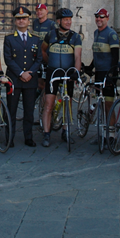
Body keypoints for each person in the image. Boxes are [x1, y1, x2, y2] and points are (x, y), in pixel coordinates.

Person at [40, 8, 82, 147]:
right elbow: (43, 50)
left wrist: (76, 71)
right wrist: (48, 62)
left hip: (68, 73)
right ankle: (46, 134)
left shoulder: (75, 37)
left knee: (67, 103)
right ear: (58, 21)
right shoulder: (50, 35)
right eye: (65, 19)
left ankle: (65, 130)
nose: (69, 22)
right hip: (53, 72)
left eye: (70, 19)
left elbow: (77, 56)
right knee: (49, 104)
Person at [3, 6, 43, 147]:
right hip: (14, 79)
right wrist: (21, 73)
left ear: (28, 20)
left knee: (29, 110)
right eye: (19, 19)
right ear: (15, 21)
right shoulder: (9, 39)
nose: (21, 21)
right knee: (11, 110)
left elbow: (38, 59)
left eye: (24, 18)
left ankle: (28, 137)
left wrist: (29, 73)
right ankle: (10, 137)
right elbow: (8, 59)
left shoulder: (36, 39)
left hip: (30, 80)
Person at [85, 8, 119, 115]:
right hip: (99, 71)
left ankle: (111, 131)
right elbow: (97, 54)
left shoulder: (111, 34)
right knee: (102, 102)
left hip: (108, 72)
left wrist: (111, 73)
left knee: (108, 105)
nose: (99, 19)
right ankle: (103, 129)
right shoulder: (96, 33)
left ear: (107, 18)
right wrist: (90, 67)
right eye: (97, 16)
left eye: (102, 17)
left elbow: (115, 56)